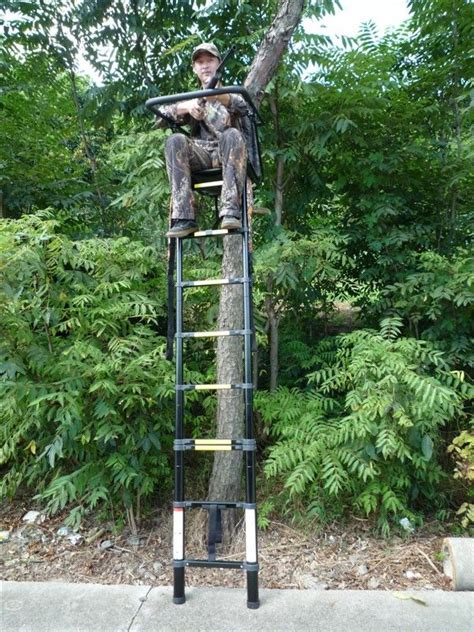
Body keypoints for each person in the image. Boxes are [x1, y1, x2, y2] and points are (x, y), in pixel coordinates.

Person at [156, 43, 249, 238]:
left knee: (232, 134)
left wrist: (214, 95)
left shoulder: (232, 93)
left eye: (210, 61)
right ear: (194, 68)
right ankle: (184, 218)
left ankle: (231, 211)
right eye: (200, 62)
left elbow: (243, 107)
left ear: (218, 63)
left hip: (228, 154)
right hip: (202, 156)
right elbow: (159, 118)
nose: (205, 66)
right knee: (175, 140)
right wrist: (187, 107)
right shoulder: (191, 98)